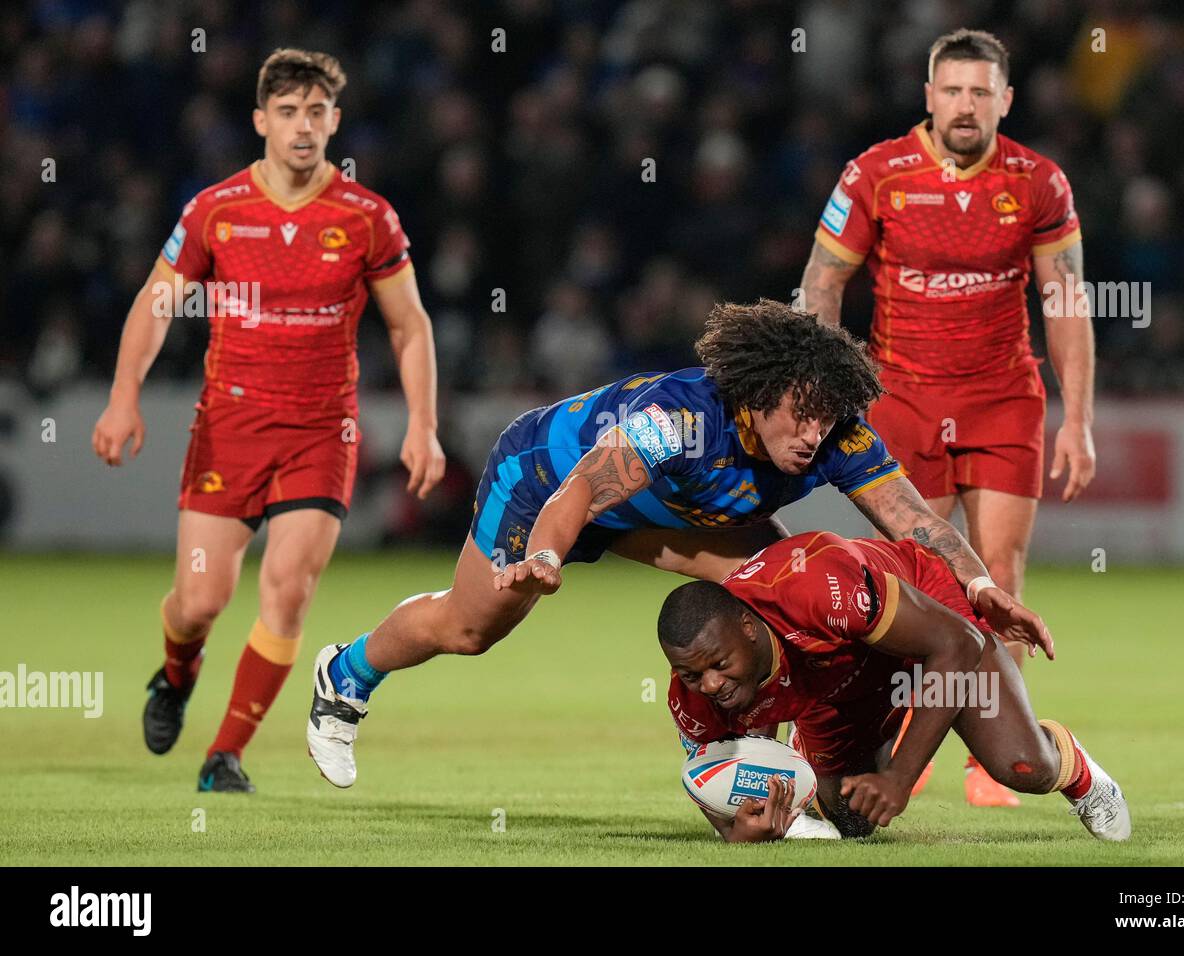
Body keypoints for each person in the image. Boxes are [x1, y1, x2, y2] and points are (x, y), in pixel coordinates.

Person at [306, 301, 1048, 788]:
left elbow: (916, 520)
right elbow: (586, 493)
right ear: (757, 396)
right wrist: (546, 556)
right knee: (467, 630)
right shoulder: (682, 420)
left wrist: (981, 588)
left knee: (780, 600)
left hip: (667, 515)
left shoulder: (832, 432)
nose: (814, 433)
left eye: (827, 417)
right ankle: (345, 674)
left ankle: (747, 767)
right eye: (800, 415)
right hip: (545, 482)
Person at [92, 49, 444, 792]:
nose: (303, 126)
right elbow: (157, 306)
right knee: (200, 601)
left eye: (317, 112)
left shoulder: (367, 217)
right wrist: (124, 395)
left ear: (335, 121)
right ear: (261, 121)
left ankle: (226, 755)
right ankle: (178, 671)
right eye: (288, 112)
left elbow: (409, 327)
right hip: (230, 426)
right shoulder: (216, 210)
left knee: (288, 588)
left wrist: (423, 423)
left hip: (323, 431)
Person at [798, 28, 1096, 805]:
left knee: (997, 572)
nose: (966, 105)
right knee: (919, 581)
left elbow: (1065, 303)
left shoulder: (1039, 181)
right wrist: (827, 393)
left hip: (1004, 396)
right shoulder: (876, 173)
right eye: (952, 90)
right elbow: (822, 284)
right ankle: (910, 740)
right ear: (928, 97)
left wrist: (1081, 418)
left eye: (981, 91)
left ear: (1006, 99)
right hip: (900, 396)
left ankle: (998, 748)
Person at [659, 531, 1130, 843]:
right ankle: (879, 732)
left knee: (1022, 766)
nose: (711, 684)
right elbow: (712, 783)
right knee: (852, 820)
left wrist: (900, 779)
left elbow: (957, 645)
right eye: (693, 675)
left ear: (748, 626)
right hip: (834, 683)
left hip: (928, 628)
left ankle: (1077, 770)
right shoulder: (693, 694)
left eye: (719, 665)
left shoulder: (815, 590)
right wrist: (736, 835)